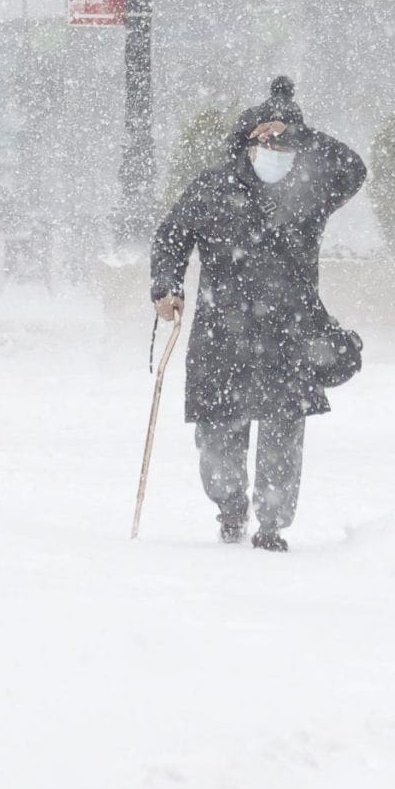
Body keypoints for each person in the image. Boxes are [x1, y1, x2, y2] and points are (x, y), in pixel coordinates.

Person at [150, 76, 365, 553]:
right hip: (220, 332)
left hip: (289, 333)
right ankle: (229, 506)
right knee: (216, 438)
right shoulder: (213, 186)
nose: (276, 149)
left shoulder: (310, 189)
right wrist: (166, 287)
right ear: (244, 143)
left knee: (283, 438)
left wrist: (301, 132)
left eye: (285, 141)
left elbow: (353, 169)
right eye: (266, 140)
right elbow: (171, 236)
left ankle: (271, 524)